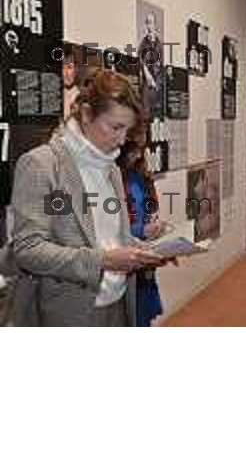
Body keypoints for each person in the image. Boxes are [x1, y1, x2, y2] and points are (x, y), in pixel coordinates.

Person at [10, 68, 167, 326]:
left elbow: (111, 238)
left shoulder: (112, 169)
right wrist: (103, 260)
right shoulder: (41, 164)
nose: (121, 140)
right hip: (67, 312)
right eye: (115, 127)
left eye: (126, 130)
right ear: (85, 114)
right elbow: (27, 248)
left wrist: (142, 250)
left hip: (119, 303)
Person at [116, 130, 166, 327]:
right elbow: (109, 226)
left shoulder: (140, 175)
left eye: (141, 149)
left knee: (142, 319)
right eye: (133, 150)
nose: (138, 155)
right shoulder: (112, 178)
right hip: (124, 262)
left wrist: (155, 224)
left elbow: (149, 208)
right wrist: (140, 231)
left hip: (145, 262)